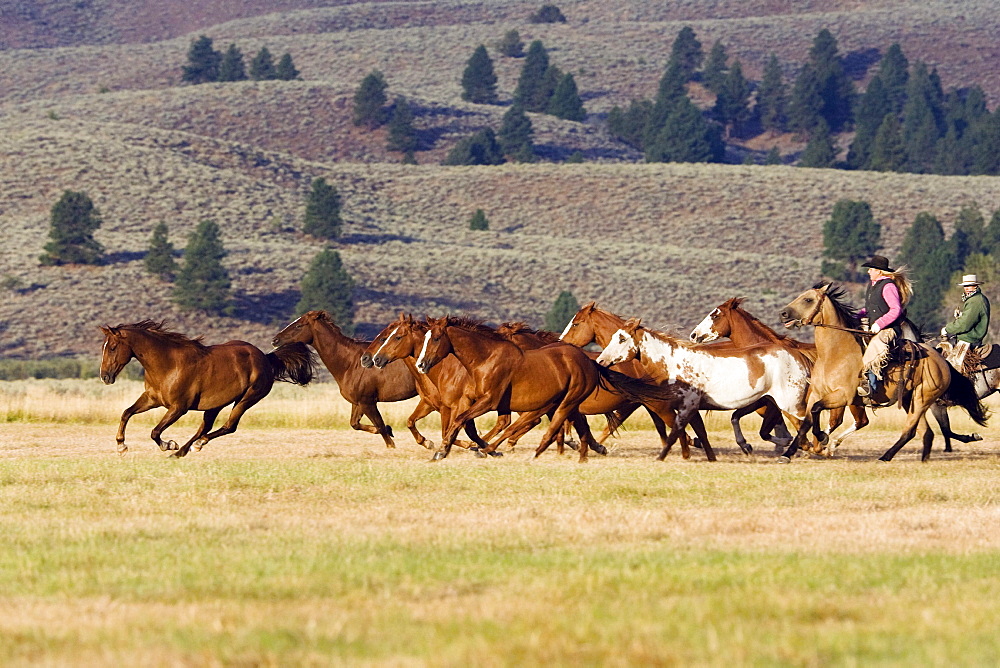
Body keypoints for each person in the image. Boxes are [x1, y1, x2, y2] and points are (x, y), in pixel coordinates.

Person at [857, 255, 913, 398]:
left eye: (871, 269)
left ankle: (871, 385)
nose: (868, 271)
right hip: (872, 327)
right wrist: (857, 316)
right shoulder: (872, 285)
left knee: (875, 346)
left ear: (879, 271)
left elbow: (895, 309)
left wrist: (879, 323)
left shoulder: (888, 286)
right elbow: (871, 308)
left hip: (888, 330)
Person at [942, 274, 990, 347]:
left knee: (952, 358)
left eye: (969, 286)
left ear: (975, 286)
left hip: (969, 340)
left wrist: (947, 329)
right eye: (965, 286)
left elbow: (964, 325)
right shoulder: (976, 299)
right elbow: (973, 317)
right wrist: (961, 315)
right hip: (969, 338)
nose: (966, 288)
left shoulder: (975, 300)